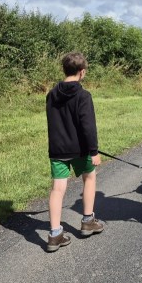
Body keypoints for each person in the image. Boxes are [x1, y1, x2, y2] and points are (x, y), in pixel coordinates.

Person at [45, 52, 105, 252]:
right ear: (83, 72)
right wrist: (94, 151)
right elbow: (88, 126)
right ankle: (88, 221)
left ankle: (55, 234)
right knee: (89, 178)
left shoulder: (51, 94)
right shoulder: (83, 95)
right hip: (80, 149)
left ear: (64, 70)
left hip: (58, 150)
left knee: (57, 189)